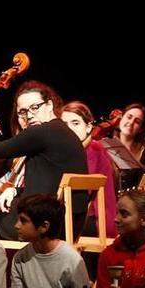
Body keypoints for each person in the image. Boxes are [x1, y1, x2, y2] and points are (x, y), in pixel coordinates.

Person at [0, 80, 89, 239]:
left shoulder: (43, 132)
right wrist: (15, 190)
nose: (29, 115)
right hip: (66, 224)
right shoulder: (63, 132)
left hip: (41, 223)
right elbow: (48, 184)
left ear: (49, 105)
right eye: (22, 112)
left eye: (35, 107)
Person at [61, 101, 117, 237]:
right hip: (69, 213)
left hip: (90, 218)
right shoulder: (65, 150)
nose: (69, 129)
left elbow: (82, 188)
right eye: (64, 124)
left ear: (88, 127)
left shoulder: (94, 148)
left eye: (75, 123)